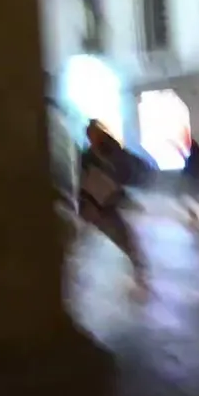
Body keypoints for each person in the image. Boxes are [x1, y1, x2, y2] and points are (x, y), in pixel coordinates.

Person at [77, 120, 149, 296]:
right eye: (89, 134)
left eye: (93, 133)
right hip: (94, 206)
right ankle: (77, 278)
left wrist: (126, 198)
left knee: (127, 241)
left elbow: (121, 176)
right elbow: (83, 183)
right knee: (83, 242)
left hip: (106, 205)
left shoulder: (110, 152)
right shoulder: (88, 157)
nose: (91, 137)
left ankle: (141, 277)